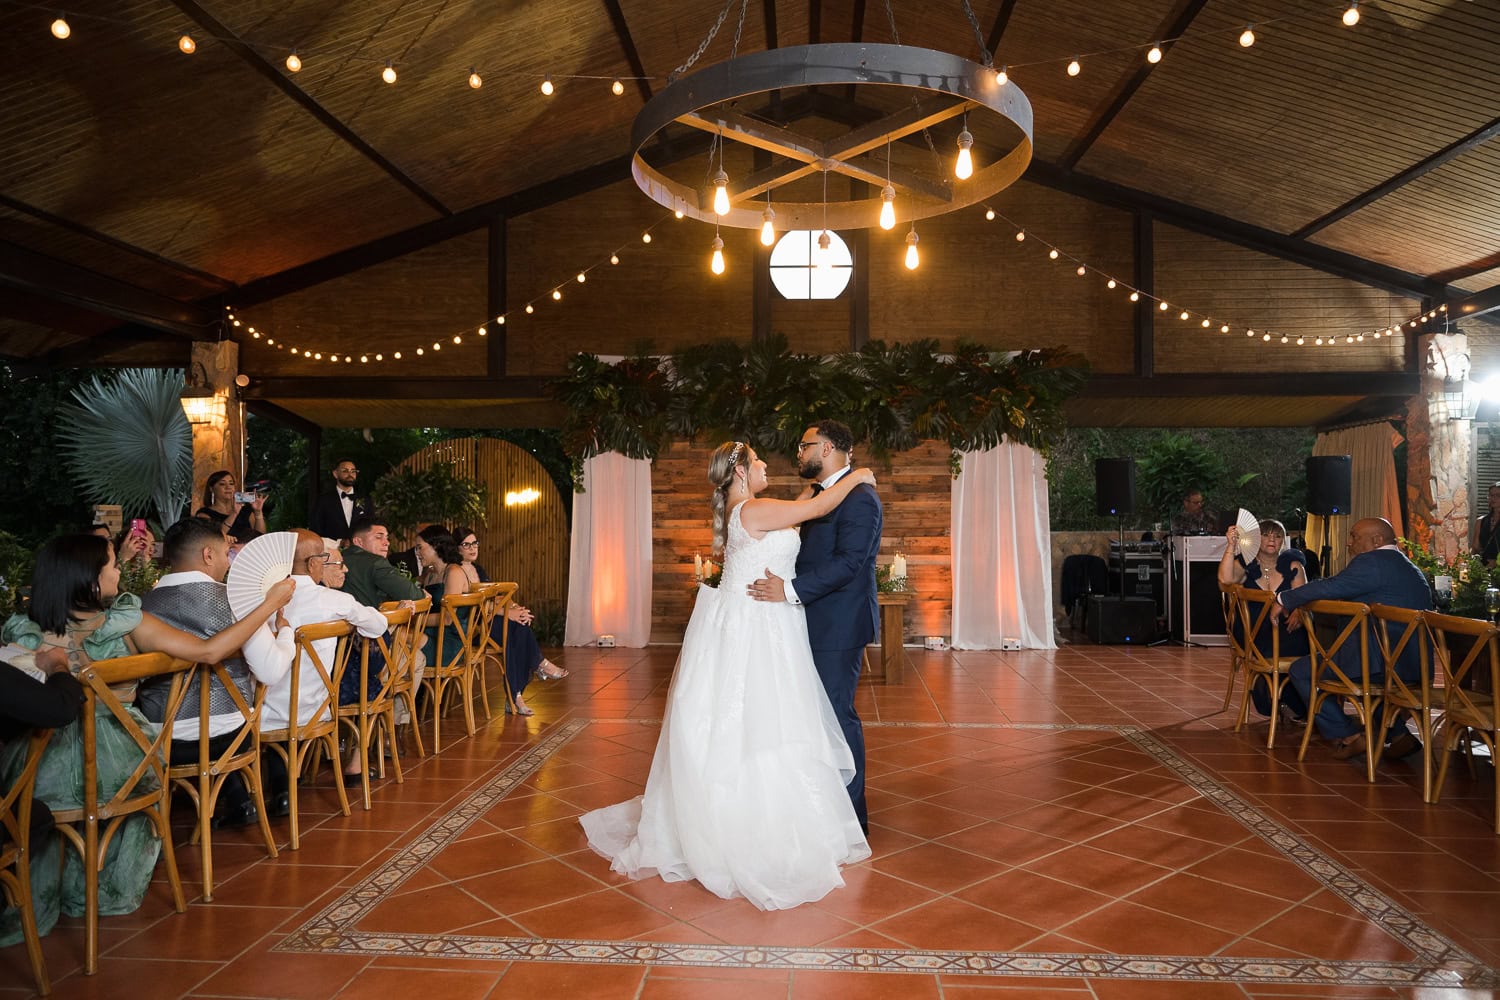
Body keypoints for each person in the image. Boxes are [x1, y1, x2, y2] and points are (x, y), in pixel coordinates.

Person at [580, 439, 875, 910]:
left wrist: (817, 492)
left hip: (762, 621)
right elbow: (818, 504)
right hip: (758, 627)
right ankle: (751, 827)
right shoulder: (754, 511)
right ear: (740, 471)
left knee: (758, 717)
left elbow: (801, 509)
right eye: (758, 462)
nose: (765, 467)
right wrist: (856, 477)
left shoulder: (749, 509)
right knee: (762, 718)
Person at [0, 533, 292, 945]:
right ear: (88, 578)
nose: (120, 570)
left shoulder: (25, 634)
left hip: (36, 770)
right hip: (120, 765)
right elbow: (210, 653)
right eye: (112, 564)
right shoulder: (126, 623)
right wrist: (270, 605)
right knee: (143, 765)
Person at [747, 419, 883, 833]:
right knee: (809, 716)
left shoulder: (861, 498)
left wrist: (790, 590)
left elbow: (849, 563)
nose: (798, 454)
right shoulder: (822, 493)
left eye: (804, 446)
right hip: (804, 621)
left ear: (825, 449)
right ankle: (814, 805)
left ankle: (851, 817)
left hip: (836, 626)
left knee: (837, 717)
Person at [138, 518, 296, 828]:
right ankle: (234, 796)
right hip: (230, 735)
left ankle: (224, 801)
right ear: (208, 555)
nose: (229, 561)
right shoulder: (238, 601)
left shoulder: (142, 606)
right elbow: (271, 671)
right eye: (227, 552)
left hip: (162, 738)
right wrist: (286, 635)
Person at [1277, 517, 1432, 760]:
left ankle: (1348, 735)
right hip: (1412, 666)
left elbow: (1331, 586)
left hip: (1379, 662)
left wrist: (1284, 599)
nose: (1349, 543)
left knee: (1302, 670)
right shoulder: (1407, 566)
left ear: (1377, 540)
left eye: (1354, 536)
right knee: (1372, 679)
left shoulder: (1371, 562)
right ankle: (1399, 736)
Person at [266, 531, 389, 736]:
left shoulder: (262, 601)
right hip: (316, 710)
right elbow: (377, 625)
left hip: (264, 715)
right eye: (323, 559)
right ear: (313, 563)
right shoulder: (335, 600)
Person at [452, 525, 565, 715]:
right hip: (475, 629)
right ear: (457, 548)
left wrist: (515, 609)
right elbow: (475, 606)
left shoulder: (478, 569)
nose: (473, 548)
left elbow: (496, 596)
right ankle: (533, 673)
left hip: (490, 623)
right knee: (513, 629)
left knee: (517, 627)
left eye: (475, 543)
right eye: (466, 544)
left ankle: (517, 695)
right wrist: (506, 614)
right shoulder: (456, 572)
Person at [1218, 518, 1309, 722]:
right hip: (1252, 632)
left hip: (1287, 629)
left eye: (1277, 536)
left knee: (1302, 640)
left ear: (1282, 541)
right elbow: (1224, 580)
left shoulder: (1293, 565)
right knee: (1277, 643)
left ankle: (1293, 702)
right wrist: (1231, 546)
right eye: (1266, 534)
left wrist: (1299, 610)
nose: (1272, 539)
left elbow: (1303, 596)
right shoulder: (1246, 564)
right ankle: (1280, 700)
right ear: (1255, 538)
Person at [340, 518, 425, 609]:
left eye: (387, 538)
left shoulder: (338, 558)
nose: (387, 543)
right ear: (358, 541)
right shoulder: (376, 562)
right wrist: (423, 594)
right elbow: (412, 595)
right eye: (379, 537)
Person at [195, 470, 266, 544]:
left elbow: (260, 538)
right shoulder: (204, 514)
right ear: (211, 489)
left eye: (231, 484)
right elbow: (213, 538)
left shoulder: (245, 511)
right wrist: (234, 513)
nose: (228, 487)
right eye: (222, 484)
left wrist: (258, 513)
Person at [308, 459, 369, 542]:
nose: (350, 474)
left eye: (353, 471)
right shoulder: (323, 500)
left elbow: (370, 527)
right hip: (332, 551)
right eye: (345, 471)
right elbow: (316, 529)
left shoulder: (365, 500)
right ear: (335, 474)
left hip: (360, 551)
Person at [1473, 482, 1500, 565]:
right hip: (1483, 569)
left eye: (1498, 495)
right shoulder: (1481, 521)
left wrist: (1496, 563)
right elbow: (1475, 548)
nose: (1493, 498)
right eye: (1491, 495)